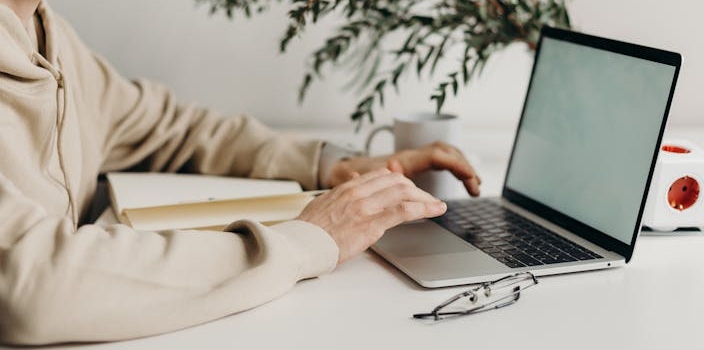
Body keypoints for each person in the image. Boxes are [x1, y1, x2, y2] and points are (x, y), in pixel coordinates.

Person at [0, 0, 481, 345]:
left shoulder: (49, 33)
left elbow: (173, 129)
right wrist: (303, 242)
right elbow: (32, 287)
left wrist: (330, 163)